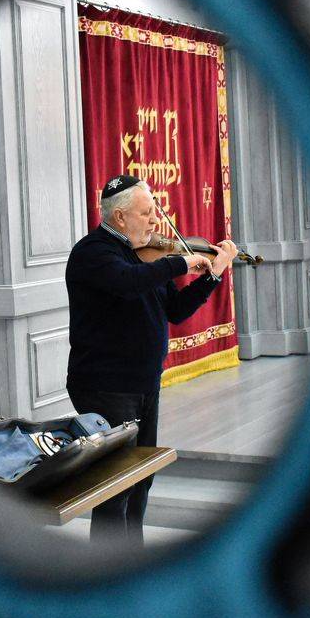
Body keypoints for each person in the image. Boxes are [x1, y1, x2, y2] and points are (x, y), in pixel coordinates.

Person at [65, 174, 238, 545]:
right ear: (120, 216)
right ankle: (108, 569)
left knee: (141, 479)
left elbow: (175, 310)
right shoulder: (93, 253)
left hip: (143, 384)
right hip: (105, 386)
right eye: (147, 213)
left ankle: (133, 557)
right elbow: (127, 282)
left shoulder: (145, 254)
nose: (156, 220)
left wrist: (212, 276)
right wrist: (179, 263)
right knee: (115, 488)